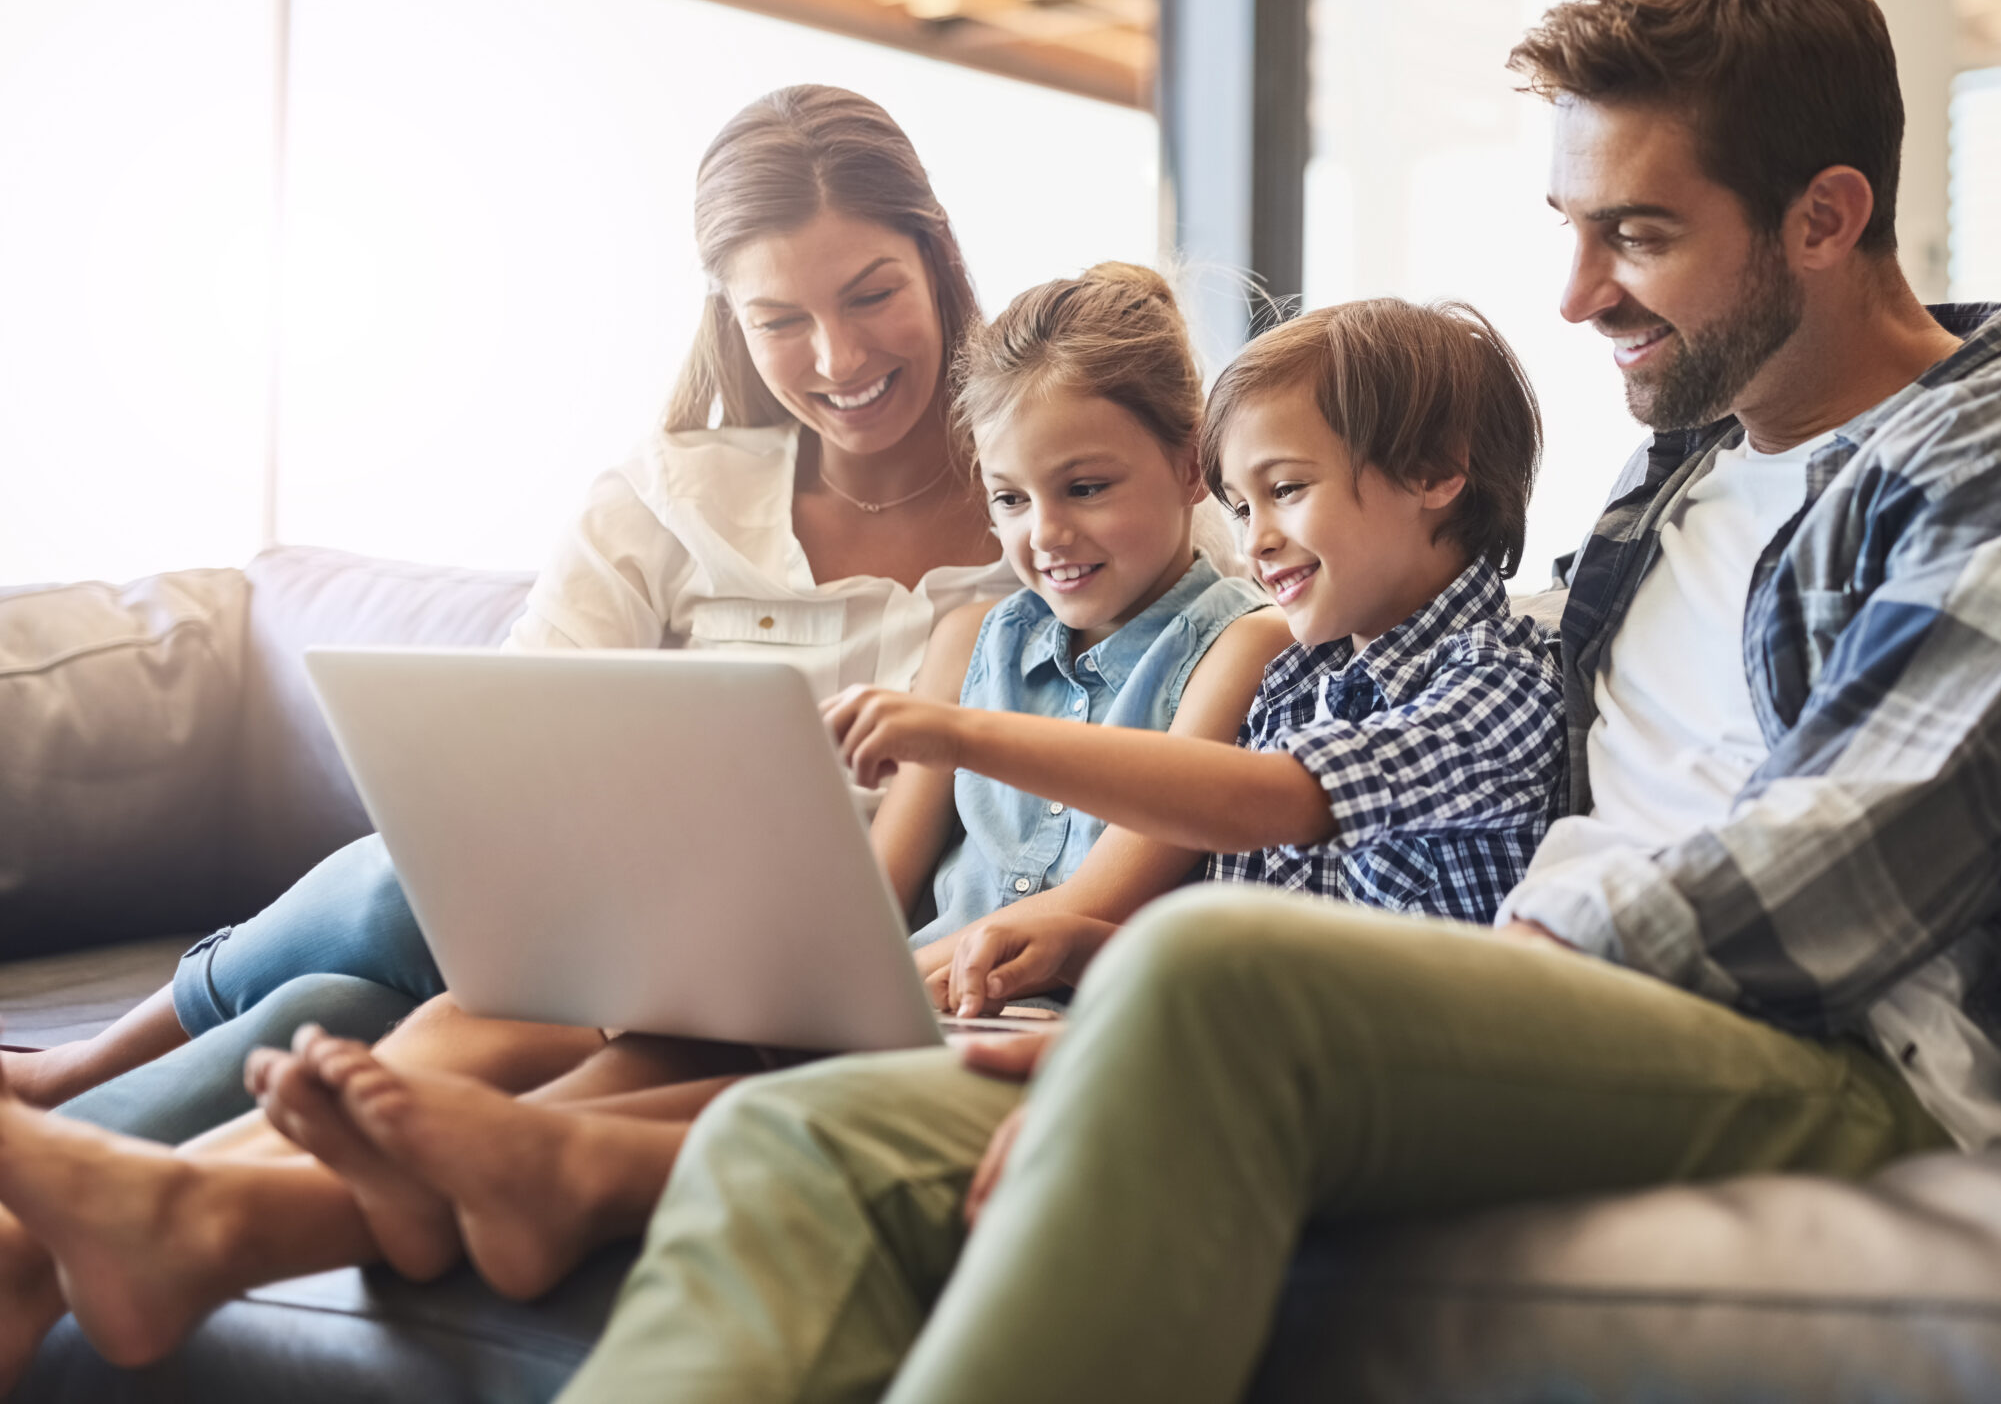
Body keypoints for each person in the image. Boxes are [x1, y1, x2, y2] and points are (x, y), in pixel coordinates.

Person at [543, 0, 2001, 1404]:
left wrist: (1436, 981)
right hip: (1537, 1019)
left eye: (1639, 235)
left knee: (1217, 972)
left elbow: (1879, 851)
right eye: (1571, 224)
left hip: (1859, 1057)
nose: (1577, 292)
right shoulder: (1675, 482)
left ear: (1826, 215)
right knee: (795, 1139)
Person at [0, 258, 1291, 1381]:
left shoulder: (1236, 644)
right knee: (503, 1010)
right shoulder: (972, 630)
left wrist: (888, 953)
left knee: (592, 1090)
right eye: (1010, 499)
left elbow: (1108, 891)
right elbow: (884, 876)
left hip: (1013, 1011)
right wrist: (751, 952)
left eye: (1086, 486)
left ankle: (213, 1213)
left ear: (1190, 466)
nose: (1045, 535)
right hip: (886, 980)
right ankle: (113, 1225)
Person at [229, 293, 1562, 1317]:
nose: (1260, 535)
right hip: (1132, 996)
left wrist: (964, 739)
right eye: (1248, 499)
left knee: (769, 1073)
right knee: (548, 1008)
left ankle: (512, 1167)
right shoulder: (1318, 665)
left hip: (1290, 1049)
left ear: (1438, 474)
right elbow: (1190, 897)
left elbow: (1255, 813)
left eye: (1284, 493)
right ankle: (287, 1181)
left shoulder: (1479, 675)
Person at [2, 84, 1023, 1145]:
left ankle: (79, 1085)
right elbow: (505, 749)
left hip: (839, 960)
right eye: (779, 319)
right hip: (606, 921)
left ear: (937, 255)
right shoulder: (669, 498)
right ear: (729, 315)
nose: (838, 357)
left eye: (870, 295)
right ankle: (55, 1195)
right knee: (346, 1001)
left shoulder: (1055, 521)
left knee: (391, 942)